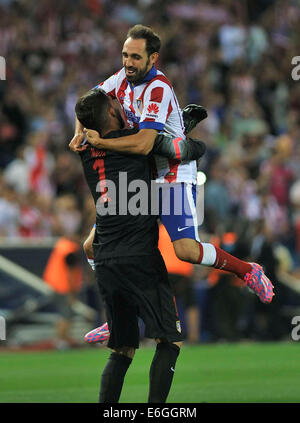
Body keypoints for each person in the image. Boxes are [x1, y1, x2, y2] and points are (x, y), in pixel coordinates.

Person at [70, 24, 274, 307]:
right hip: (140, 174)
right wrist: (79, 130)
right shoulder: (121, 79)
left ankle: (248, 270)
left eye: (135, 57)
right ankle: (116, 312)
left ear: (153, 58)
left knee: (186, 251)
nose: (128, 62)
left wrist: (101, 143)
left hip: (172, 173)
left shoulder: (158, 89)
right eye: (125, 55)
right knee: (92, 246)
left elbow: (142, 144)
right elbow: (87, 102)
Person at [75, 87, 205, 403]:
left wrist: (86, 131)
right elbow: (192, 151)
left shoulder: (85, 149)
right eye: (115, 103)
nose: (121, 105)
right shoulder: (137, 143)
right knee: (170, 341)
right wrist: (181, 130)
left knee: (123, 349)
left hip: (106, 260)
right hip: (140, 257)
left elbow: (87, 119)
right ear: (109, 113)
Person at [43, 234, 83, 349]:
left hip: (54, 284)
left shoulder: (61, 245)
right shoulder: (70, 249)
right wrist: (72, 292)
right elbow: (70, 272)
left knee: (63, 314)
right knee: (66, 314)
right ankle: (61, 340)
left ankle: (62, 339)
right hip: (64, 287)